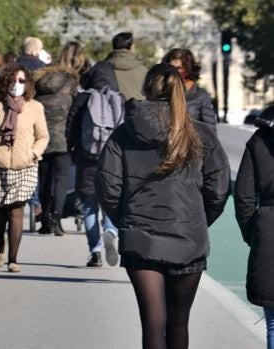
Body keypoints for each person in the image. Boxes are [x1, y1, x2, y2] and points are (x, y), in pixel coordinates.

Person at [96, 63, 230, 348]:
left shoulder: (124, 134)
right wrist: (199, 219)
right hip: (188, 237)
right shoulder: (200, 135)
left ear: (146, 89)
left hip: (142, 237)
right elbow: (219, 188)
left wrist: (127, 221)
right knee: (179, 322)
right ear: (181, 92)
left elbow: (108, 187)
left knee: (153, 324)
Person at [0, 63, 49, 272]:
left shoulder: (35, 107)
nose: (17, 85)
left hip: (25, 165)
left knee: (16, 211)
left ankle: (13, 259)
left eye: (21, 81)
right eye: (13, 80)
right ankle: (0, 242)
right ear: (4, 82)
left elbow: (43, 136)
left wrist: (34, 153)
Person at [66, 54, 121, 267]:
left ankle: (95, 252)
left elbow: (70, 128)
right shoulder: (120, 99)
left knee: (89, 206)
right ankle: (110, 230)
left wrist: (73, 153)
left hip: (86, 158)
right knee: (110, 204)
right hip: (112, 161)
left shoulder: (83, 98)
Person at [234, 104, 274, 348]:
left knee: (273, 324)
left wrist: (254, 232)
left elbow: (244, 196)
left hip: (269, 231)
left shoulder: (259, 140)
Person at [33, 44, 80, 236]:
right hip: (64, 138)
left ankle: (45, 220)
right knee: (61, 180)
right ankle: (57, 219)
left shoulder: (39, 83)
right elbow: (76, 108)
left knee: (44, 180)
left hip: (41, 137)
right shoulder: (70, 83)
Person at [162, 48, 217, 134]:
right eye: (171, 68)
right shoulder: (159, 93)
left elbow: (210, 132)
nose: (174, 72)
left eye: (179, 68)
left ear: (188, 69)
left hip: (191, 145)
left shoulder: (200, 96)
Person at [105, 32, 148, 100]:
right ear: (132, 47)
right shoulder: (143, 71)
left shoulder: (101, 70)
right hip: (137, 109)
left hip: (110, 109)